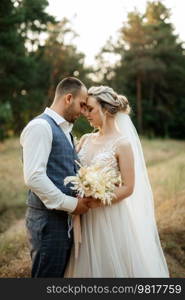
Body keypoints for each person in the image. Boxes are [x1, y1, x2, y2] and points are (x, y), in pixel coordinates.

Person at [65, 85, 169, 277]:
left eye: (91, 109)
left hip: (109, 216)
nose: (86, 113)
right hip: (84, 213)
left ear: (106, 109)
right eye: (85, 108)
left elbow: (129, 187)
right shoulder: (86, 139)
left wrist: (100, 199)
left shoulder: (122, 144)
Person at [20, 77, 92, 277]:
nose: (83, 111)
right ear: (69, 98)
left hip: (61, 220)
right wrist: (72, 204)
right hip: (46, 221)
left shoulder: (65, 131)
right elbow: (34, 177)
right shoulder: (40, 127)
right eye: (82, 104)